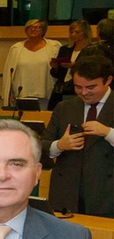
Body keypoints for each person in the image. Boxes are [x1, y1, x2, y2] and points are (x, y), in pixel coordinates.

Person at [43, 53, 114, 217]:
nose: (84, 92)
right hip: (67, 195)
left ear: (108, 80)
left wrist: (108, 132)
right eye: (78, 87)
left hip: (108, 195)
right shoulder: (64, 107)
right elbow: (43, 145)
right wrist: (59, 145)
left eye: (91, 87)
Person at [2, 21, 55, 110]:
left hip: (45, 95)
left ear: (43, 30)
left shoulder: (54, 47)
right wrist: (8, 94)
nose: (33, 29)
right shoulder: (16, 48)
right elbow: (8, 73)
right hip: (21, 95)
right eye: (29, 27)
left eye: (37, 27)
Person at [49, 20, 92, 108]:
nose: (73, 34)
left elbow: (91, 71)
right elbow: (56, 74)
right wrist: (56, 67)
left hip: (78, 89)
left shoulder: (90, 50)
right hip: (61, 88)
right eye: (71, 32)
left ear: (85, 33)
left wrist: (74, 66)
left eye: (77, 32)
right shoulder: (65, 49)